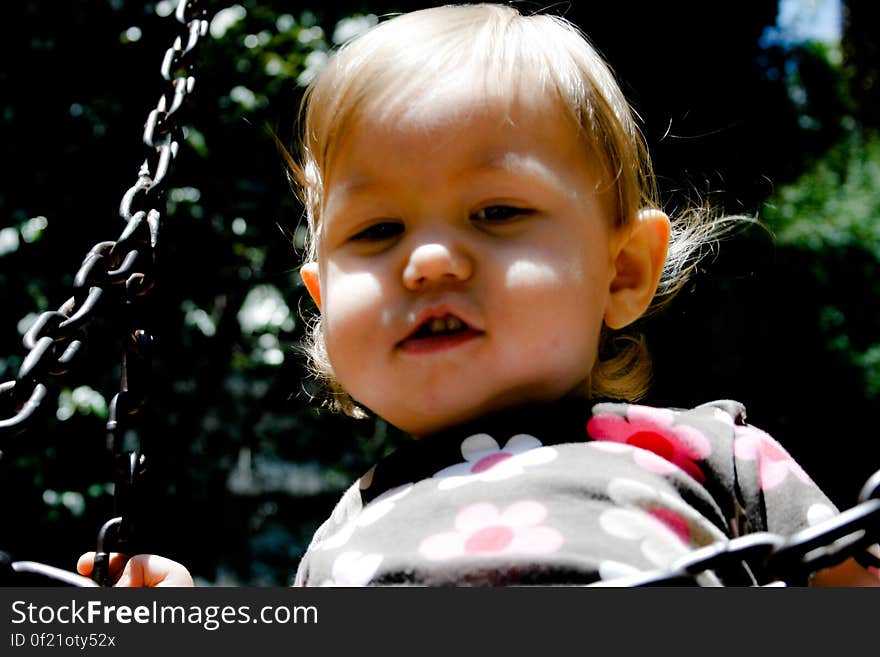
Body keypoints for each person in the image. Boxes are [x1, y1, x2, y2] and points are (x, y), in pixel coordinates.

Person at [78, 3, 878, 587]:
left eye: (497, 213)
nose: (427, 261)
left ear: (624, 270)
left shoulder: (711, 453)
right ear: (321, 304)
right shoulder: (345, 529)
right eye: (377, 230)